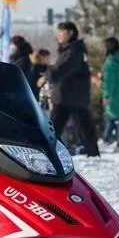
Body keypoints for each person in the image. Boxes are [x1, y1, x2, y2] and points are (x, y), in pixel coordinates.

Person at [38, 22, 100, 157]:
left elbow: (62, 70)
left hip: (70, 95)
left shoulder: (74, 51)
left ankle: (47, 151)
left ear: (71, 33)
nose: (58, 36)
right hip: (68, 95)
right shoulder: (70, 50)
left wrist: (47, 76)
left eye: (62, 33)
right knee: (63, 126)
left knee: (59, 126)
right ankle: (91, 151)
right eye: (58, 33)